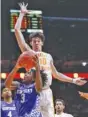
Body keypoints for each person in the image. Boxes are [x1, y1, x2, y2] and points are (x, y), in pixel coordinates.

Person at [14, 2, 87, 117]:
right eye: (34, 41)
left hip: (47, 92)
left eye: (38, 40)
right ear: (31, 43)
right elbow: (17, 31)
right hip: (34, 92)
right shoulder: (29, 53)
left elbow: (56, 74)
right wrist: (22, 14)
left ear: (42, 43)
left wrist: (73, 80)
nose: (36, 42)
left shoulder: (48, 56)